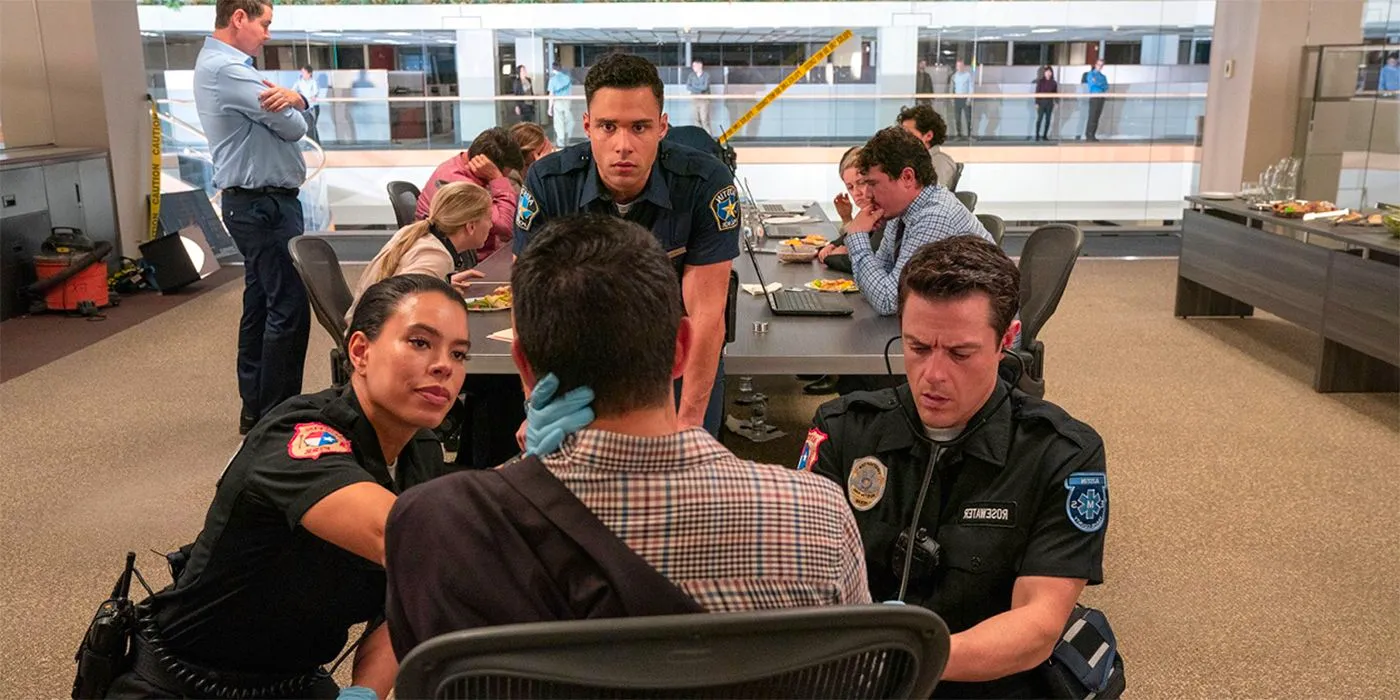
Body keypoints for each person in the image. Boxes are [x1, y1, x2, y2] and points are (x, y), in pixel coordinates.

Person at [384, 215, 870, 657]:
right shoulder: (820, 517)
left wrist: (514, 481)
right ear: (682, 348)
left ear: (525, 366)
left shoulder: (437, 528)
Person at [105, 275, 472, 699]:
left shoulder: (420, 452)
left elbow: (405, 599)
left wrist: (365, 692)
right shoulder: (299, 438)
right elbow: (402, 538)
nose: (445, 365)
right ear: (360, 351)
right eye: (420, 343)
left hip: (290, 679)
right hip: (185, 681)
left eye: (459, 353)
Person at [799, 236, 1110, 698]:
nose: (933, 376)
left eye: (960, 354)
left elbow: (1037, 626)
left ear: (1007, 341)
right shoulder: (844, 431)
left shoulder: (1061, 454)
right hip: (857, 677)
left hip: (984, 679)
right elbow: (803, 578)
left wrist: (906, 661)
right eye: (918, 347)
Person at [514, 52, 738, 436]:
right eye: (607, 126)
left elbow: (706, 316)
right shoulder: (549, 183)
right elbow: (528, 306)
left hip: (672, 356)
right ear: (587, 125)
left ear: (662, 127)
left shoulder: (705, 184)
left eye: (639, 127)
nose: (623, 145)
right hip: (576, 352)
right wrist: (537, 404)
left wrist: (688, 423)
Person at [193, 0, 313, 436]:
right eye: (264, 24)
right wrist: (296, 104)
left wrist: (295, 99)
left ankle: (259, 409)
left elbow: (290, 115)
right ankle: (279, 418)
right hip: (263, 205)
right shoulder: (228, 70)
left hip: (257, 203)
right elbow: (295, 127)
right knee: (289, 306)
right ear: (238, 17)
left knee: (262, 301)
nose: (268, 34)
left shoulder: (225, 67)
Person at [844, 126, 992, 317]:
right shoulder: (901, 212)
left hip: (980, 338)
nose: (868, 195)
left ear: (907, 177)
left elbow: (888, 301)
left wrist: (857, 236)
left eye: (873, 184)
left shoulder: (935, 216)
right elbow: (873, 286)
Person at [347, 181, 492, 323]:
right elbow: (403, 312)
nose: (491, 225)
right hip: (377, 338)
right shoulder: (436, 257)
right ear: (471, 226)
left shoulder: (413, 234)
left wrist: (441, 284)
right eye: (489, 218)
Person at [415, 127, 524, 260]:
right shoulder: (461, 185)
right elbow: (507, 227)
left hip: (469, 253)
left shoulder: (456, 165)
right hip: (467, 261)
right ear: (487, 165)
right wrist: (497, 178)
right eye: (506, 172)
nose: (507, 176)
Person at [897, 104, 958, 189]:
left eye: (909, 134)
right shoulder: (910, 160)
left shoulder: (940, 162)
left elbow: (931, 197)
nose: (903, 138)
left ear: (928, 136)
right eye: (902, 133)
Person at [546, 62, 574, 146]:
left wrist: (549, 108)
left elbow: (551, 95)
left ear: (553, 69)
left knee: (559, 122)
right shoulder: (567, 78)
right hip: (567, 101)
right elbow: (570, 92)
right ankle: (568, 138)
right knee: (568, 121)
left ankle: (561, 142)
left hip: (558, 102)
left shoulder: (552, 80)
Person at [294, 65, 323, 143]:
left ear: (309, 73)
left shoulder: (313, 82)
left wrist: (312, 96)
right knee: (308, 126)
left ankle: (315, 144)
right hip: (305, 107)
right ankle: (313, 144)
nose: (302, 74)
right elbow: (293, 90)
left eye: (304, 72)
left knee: (311, 126)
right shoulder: (299, 82)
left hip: (313, 107)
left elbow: (315, 92)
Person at [1082, 60, 1108, 142]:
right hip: (1094, 96)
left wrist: (1098, 83)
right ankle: (1088, 134)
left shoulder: (1103, 76)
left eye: (1101, 65)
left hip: (1101, 97)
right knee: (1092, 116)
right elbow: (1093, 84)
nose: (1100, 66)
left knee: (1097, 116)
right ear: (1095, 65)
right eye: (1098, 64)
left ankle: (1093, 134)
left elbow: (1106, 86)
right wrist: (1099, 84)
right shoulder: (1090, 74)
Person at [685, 59, 713, 133]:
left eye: (694, 65)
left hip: (704, 100)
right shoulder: (691, 75)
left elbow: (704, 88)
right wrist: (699, 89)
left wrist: (694, 88)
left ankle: (709, 138)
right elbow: (688, 87)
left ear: (700, 65)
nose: (693, 67)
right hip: (694, 99)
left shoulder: (706, 75)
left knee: (704, 120)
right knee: (696, 120)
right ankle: (700, 138)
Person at [950, 59, 974, 139]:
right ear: (956, 67)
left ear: (963, 66)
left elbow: (971, 88)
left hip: (965, 99)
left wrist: (969, 99)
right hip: (957, 99)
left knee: (968, 118)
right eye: (958, 66)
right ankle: (958, 134)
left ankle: (969, 135)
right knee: (957, 118)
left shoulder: (968, 75)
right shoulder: (954, 76)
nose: (959, 67)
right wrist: (952, 100)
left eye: (961, 65)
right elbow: (951, 89)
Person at [1034, 66, 1059, 142]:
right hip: (1041, 103)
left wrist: (1056, 102)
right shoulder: (1040, 81)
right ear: (1044, 73)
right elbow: (1037, 92)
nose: (1048, 73)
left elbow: (1055, 93)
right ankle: (1037, 135)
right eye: (1047, 72)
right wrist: (1036, 103)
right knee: (1039, 119)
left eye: (1049, 72)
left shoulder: (1054, 83)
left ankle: (1045, 135)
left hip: (1049, 103)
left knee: (1048, 120)